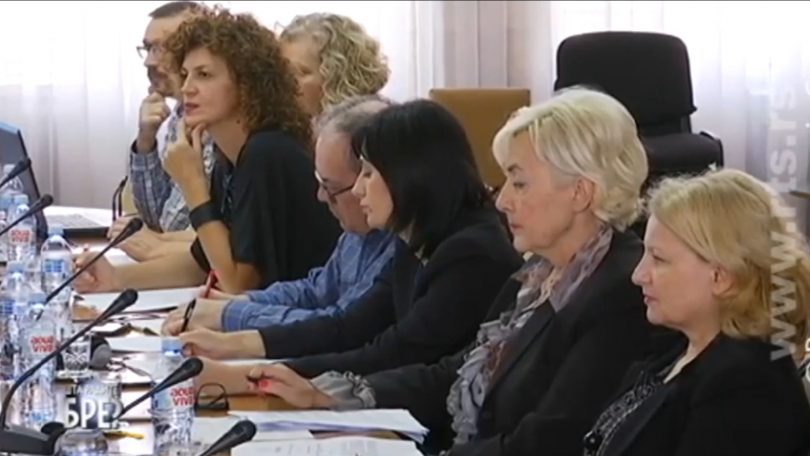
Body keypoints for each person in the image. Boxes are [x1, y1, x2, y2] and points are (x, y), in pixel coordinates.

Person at [232, 88, 663, 456]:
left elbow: (547, 441)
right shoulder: (540, 275)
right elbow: (453, 373)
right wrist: (327, 394)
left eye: (519, 183)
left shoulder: (618, 292)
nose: (502, 201)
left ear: (580, 193)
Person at [179, 99, 523, 387]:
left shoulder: (471, 254)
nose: (359, 189)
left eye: (369, 174)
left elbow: (393, 354)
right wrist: (232, 345)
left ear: (409, 176)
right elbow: (352, 327)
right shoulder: (415, 241)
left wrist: (250, 377)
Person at [75, 8, 341, 294]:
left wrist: (194, 185)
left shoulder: (268, 152)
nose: (187, 88)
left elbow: (236, 283)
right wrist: (115, 278)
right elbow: (202, 264)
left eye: (204, 75)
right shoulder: (230, 157)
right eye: (185, 75)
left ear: (247, 84)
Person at [581, 169, 810, 456]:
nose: (638, 275)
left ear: (721, 277)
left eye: (658, 259)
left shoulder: (748, 389)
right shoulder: (678, 348)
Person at [161, 95, 398, 333]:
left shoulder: (400, 246)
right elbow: (314, 291)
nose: (321, 196)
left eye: (331, 188)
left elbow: (341, 325)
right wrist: (242, 303)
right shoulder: (357, 233)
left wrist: (229, 316)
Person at [113, 0, 217, 262]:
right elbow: (160, 221)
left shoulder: (221, 124)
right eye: (148, 48)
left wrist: (157, 242)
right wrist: (145, 141)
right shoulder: (180, 114)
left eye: (161, 48)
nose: (149, 61)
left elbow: (188, 233)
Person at [279, 12, 390, 118]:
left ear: (339, 79)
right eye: (282, 70)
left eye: (300, 73)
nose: (284, 82)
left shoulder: (372, 127)